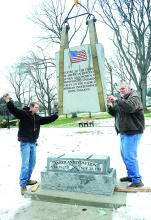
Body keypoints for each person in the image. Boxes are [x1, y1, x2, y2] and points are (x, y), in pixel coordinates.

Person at [3, 94, 58, 195]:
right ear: (31, 107)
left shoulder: (37, 117)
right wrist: (7, 100)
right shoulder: (24, 114)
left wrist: (56, 116)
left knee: (32, 163)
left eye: (38, 107)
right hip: (25, 143)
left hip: (33, 143)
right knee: (25, 164)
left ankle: (27, 179)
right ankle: (23, 185)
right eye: (36, 107)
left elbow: (47, 120)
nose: (38, 109)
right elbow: (13, 110)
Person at [107, 82, 145, 187]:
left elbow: (130, 108)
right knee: (125, 156)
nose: (121, 90)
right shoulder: (123, 99)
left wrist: (116, 100)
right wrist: (109, 105)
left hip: (133, 131)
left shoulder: (134, 97)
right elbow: (115, 113)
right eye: (120, 89)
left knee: (130, 156)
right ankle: (131, 176)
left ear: (129, 88)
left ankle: (137, 180)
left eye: (123, 88)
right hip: (124, 132)